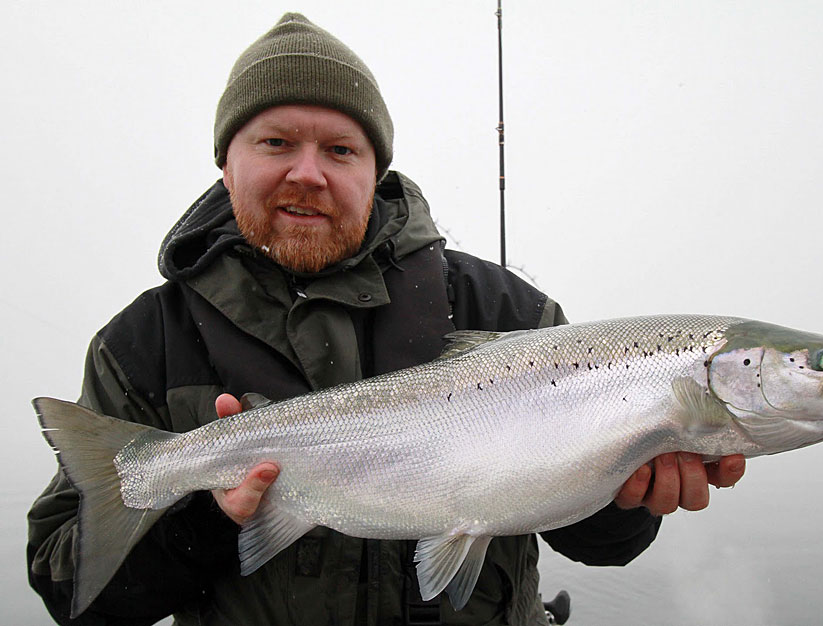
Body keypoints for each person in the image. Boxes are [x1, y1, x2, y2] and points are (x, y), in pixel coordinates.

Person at [27, 13, 745, 626]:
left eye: (341, 150)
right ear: (227, 164)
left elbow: (602, 546)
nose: (308, 172)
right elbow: (70, 594)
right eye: (276, 142)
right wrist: (212, 522)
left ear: (377, 171)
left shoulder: (510, 311)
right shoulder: (142, 343)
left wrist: (626, 501)